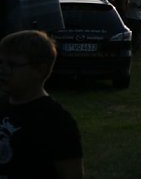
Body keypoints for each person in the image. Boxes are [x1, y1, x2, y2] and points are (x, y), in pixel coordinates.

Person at [0, 30, 84, 179]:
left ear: (40, 70)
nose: (3, 70)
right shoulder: (2, 104)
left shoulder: (56, 121)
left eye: (11, 65)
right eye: (1, 63)